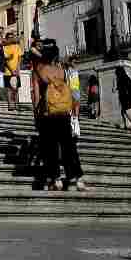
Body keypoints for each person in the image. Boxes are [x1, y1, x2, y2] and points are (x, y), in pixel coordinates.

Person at [30, 39, 86, 191]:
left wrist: (36, 114)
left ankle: (56, 179)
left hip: (47, 114)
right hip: (63, 113)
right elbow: (68, 93)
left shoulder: (38, 70)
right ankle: (75, 179)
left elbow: (35, 96)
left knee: (50, 148)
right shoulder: (61, 71)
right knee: (69, 146)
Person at [2, 31, 23, 111]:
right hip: (8, 71)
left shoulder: (17, 46)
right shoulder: (5, 48)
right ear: (7, 39)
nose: (11, 38)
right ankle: (10, 106)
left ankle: (17, 105)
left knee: (16, 89)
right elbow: (5, 61)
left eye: (12, 37)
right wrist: (11, 70)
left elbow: (20, 58)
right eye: (9, 37)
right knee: (9, 89)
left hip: (16, 71)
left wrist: (17, 68)